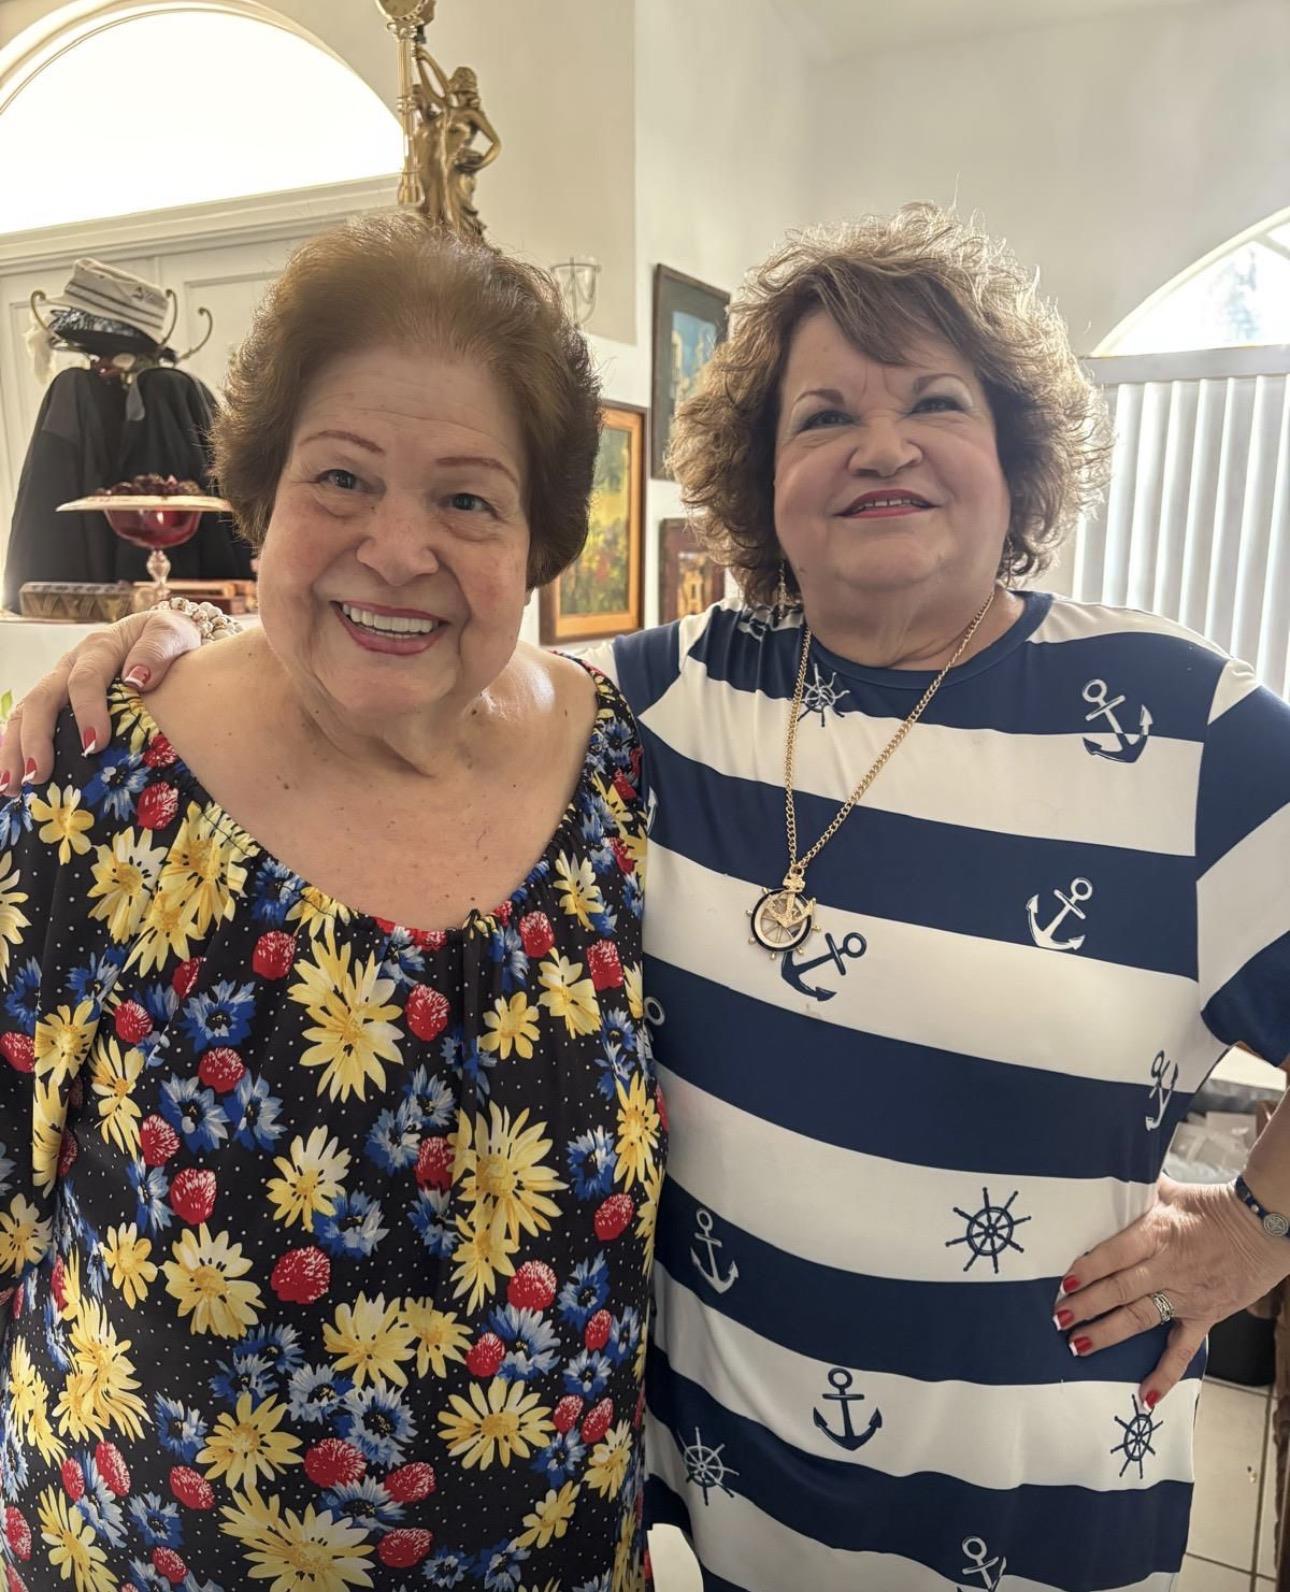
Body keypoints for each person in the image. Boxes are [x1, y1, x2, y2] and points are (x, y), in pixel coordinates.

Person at [11, 202, 1290, 1591]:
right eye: (820, 416)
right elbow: (395, 637)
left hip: (1030, 1496)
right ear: (761, 474)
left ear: (1019, 451)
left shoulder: (1184, 731)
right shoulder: (665, 703)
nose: (880, 445)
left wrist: (1254, 1231)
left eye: (935, 402)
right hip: (717, 1504)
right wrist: (171, 635)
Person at [0, 211, 662, 1591]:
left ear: (540, 539)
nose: (397, 547)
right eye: (342, 478)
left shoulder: (624, 775)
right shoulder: (96, 782)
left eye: (467, 499)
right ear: (264, 496)